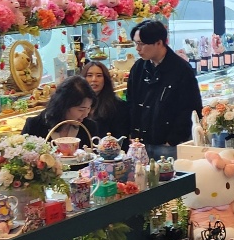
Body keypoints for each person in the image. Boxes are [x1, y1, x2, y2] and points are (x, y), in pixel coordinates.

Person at [126, 19, 202, 159]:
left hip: (168, 145)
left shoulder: (181, 70)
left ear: (159, 43)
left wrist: (173, 139)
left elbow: (191, 108)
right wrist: (132, 132)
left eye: (141, 44)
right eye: (136, 43)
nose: (137, 48)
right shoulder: (138, 68)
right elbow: (131, 101)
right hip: (140, 142)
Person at [22, 76, 97, 145]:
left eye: (88, 108)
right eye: (81, 110)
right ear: (64, 105)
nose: (86, 114)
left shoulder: (89, 127)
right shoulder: (34, 126)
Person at [82, 60, 131, 140]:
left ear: (105, 79)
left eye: (99, 76)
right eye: (89, 75)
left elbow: (121, 138)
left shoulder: (118, 106)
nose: (94, 79)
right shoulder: (76, 104)